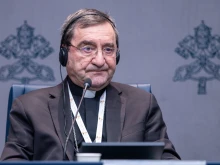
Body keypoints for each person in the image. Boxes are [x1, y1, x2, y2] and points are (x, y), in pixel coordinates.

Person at [1, 8, 180, 160]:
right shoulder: (29, 107)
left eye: (108, 49)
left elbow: (168, 161)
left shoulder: (142, 104)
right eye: (88, 48)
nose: (100, 60)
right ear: (64, 54)